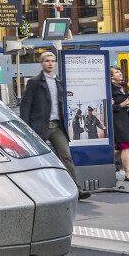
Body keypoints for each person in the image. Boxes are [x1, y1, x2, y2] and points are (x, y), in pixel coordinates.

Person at [20, 52, 90, 200]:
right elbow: (26, 105)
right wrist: (25, 128)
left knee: (66, 156)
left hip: (57, 126)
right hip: (40, 126)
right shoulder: (35, 82)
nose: (50, 64)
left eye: (52, 61)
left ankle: (76, 190)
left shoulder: (59, 82)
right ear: (41, 63)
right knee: (37, 159)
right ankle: (36, 191)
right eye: (47, 61)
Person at [110, 65, 129, 182]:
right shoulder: (110, 88)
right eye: (116, 72)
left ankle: (107, 163)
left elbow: (128, 100)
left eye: (120, 71)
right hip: (116, 121)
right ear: (111, 76)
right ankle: (128, 173)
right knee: (126, 146)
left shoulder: (124, 86)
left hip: (125, 119)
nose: (120, 73)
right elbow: (109, 106)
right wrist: (121, 105)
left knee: (121, 149)